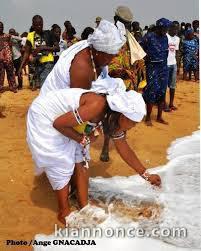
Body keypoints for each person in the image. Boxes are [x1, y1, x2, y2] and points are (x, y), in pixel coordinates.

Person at [27, 77, 161, 225]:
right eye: (132, 123)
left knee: (82, 158)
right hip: (44, 115)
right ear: (123, 115)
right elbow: (58, 123)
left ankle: (83, 206)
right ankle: (64, 212)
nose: (133, 127)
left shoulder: (113, 118)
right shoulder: (97, 105)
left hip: (66, 122)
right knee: (61, 161)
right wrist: (82, 139)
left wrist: (146, 174)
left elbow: (124, 148)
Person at [100, 6, 146, 162]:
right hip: (111, 83)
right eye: (123, 23)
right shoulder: (107, 37)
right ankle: (106, 146)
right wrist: (119, 71)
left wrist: (136, 70)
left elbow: (135, 58)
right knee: (109, 117)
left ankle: (121, 144)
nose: (125, 27)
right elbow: (105, 63)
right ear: (115, 20)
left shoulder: (129, 38)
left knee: (124, 116)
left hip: (128, 84)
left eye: (127, 24)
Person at [39, 19, 126, 97]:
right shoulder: (82, 69)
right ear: (99, 52)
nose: (112, 60)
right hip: (58, 112)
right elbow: (78, 108)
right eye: (110, 57)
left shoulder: (92, 49)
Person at [141, 18, 171, 126]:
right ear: (159, 27)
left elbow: (166, 52)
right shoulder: (149, 36)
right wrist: (145, 58)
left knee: (162, 92)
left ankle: (159, 117)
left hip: (163, 68)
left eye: (167, 28)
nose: (166, 30)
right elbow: (139, 48)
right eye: (164, 28)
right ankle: (148, 117)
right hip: (152, 68)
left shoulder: (166, 38)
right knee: (151, 91)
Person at [18, 15, 60, 90]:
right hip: (36, 65)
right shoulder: (30, 35)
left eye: (41, 24)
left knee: (44, 85)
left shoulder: (49, 33)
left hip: (48, 63)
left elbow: (57, 48)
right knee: (39, 87)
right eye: (37, 25)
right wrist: (21, 67)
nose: (39, 26)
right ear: (33, 25)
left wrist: (43, 47)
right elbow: (26, 53)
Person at [164, 23, 180, 112]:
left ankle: (171, 103)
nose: (175, 31)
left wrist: (178, 64)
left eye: (177, 29)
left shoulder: (177, 39)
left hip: (173, 64)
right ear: (169, 28)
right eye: (174, 29)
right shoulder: (165, 37)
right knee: (164, 86)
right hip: (165, 64)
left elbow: (176, 52)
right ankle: (164, 104)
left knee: (173, 85)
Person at [0, 22, 17, 93]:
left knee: (10, 72)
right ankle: (0, 87)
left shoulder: (7, 36)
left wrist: (10, 55)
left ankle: (13, 86)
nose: (1, 28)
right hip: (0, 58)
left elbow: (11, 45)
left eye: (2, 27)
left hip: (8, 57)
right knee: (0, 72)